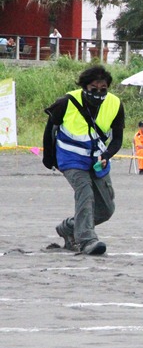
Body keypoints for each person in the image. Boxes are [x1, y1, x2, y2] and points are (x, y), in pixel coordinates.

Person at [43, 66, 125, 255]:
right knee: (85, 194)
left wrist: (106, 156)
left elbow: (118, 139)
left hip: (97, 160)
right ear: (84, 87)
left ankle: (69, 228)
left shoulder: (115, 104)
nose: (98, 93)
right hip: (70, 158)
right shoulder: (66, 102)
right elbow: (50, 129)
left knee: (106, 209)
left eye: (103, 89)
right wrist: (49, 157)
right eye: (93, 89)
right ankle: (87, 240)